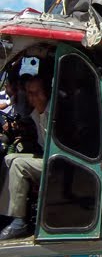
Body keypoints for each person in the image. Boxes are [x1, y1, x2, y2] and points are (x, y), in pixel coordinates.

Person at [0, 76, 49, 240]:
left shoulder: (53, 112)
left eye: (37, 93)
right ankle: (7, 212)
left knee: (19, 165)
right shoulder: (36, 114)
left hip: (58, 161)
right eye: (29, 93)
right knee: (9, 158)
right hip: (45, 155)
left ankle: (19, 223)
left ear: (46, 93)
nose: (33, 97)